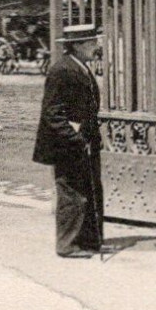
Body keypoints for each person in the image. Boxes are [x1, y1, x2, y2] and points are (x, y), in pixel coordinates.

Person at [32, 24, 105, 258]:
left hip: (84, 141)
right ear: (77, 45)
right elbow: (52, 113)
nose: (96, 47)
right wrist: (74, 138)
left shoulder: (79, 67)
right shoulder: (62, 70)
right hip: (67, 144)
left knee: (88, 188)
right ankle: (67, 244)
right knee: (71, 192)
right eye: (91, 43)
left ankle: (88, 240)